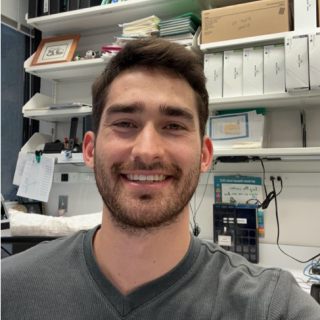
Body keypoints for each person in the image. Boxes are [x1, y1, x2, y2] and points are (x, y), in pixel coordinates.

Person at [0, 39, 319, 319]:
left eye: (174, 126)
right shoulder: (10, 291)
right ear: (90, 150)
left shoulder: (273, 307)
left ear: (205, 155)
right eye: (125, 123)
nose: (147, 151)